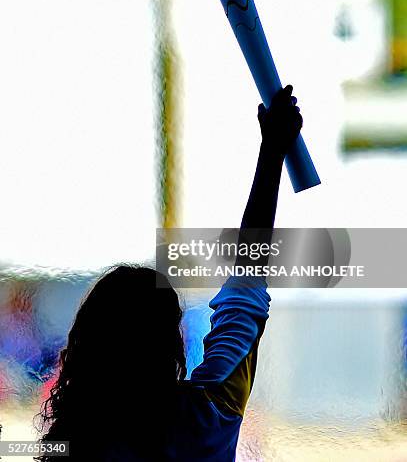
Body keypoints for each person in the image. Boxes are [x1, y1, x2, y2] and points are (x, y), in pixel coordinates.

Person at [36, 85, 302, 461]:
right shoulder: (208, 416)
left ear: (86, 345)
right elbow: (246, 286)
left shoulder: (75, 439)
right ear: (169, 344)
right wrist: (273, 150)